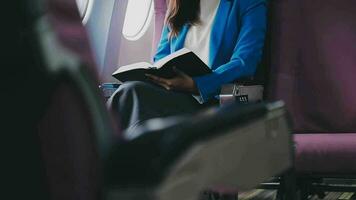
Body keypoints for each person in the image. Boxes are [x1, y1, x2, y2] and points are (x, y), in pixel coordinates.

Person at [108, 0, 267, 136]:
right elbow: (161, 58)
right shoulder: (179, 4)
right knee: (129, 92)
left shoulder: (248, 2)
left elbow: (245, 62)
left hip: (214, 98)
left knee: (132, 93)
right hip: (175, 92)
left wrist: (197, 84)